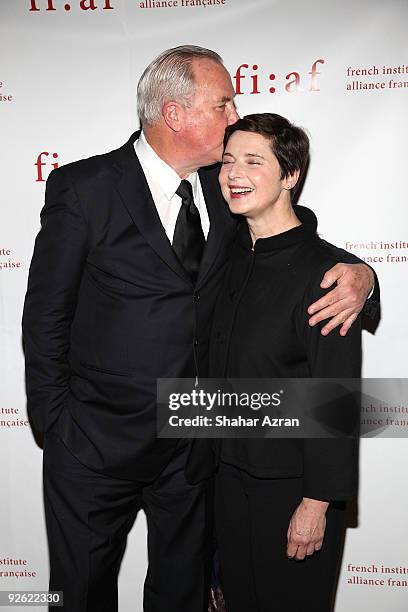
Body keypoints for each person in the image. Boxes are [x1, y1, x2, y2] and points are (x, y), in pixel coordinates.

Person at [22, 47, 376, 612]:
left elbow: (285, 238)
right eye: (223, 103)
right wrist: (57, 423)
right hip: (93, 445)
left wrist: (363, 274)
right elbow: (44, 316)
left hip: (193, 449)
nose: (235, 116)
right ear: (175, 113)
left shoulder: (222, 185)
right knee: (77, 595)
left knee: (182, 593)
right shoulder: (85, 188)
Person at [210, 113, 367, 612]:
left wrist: (317, 502)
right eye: (228, 160)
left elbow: (335, 399)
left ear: (290, 175)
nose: (235, 173)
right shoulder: (222, 258)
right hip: (223, 483)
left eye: (254, 162)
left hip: (292, 491)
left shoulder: (328, 277)